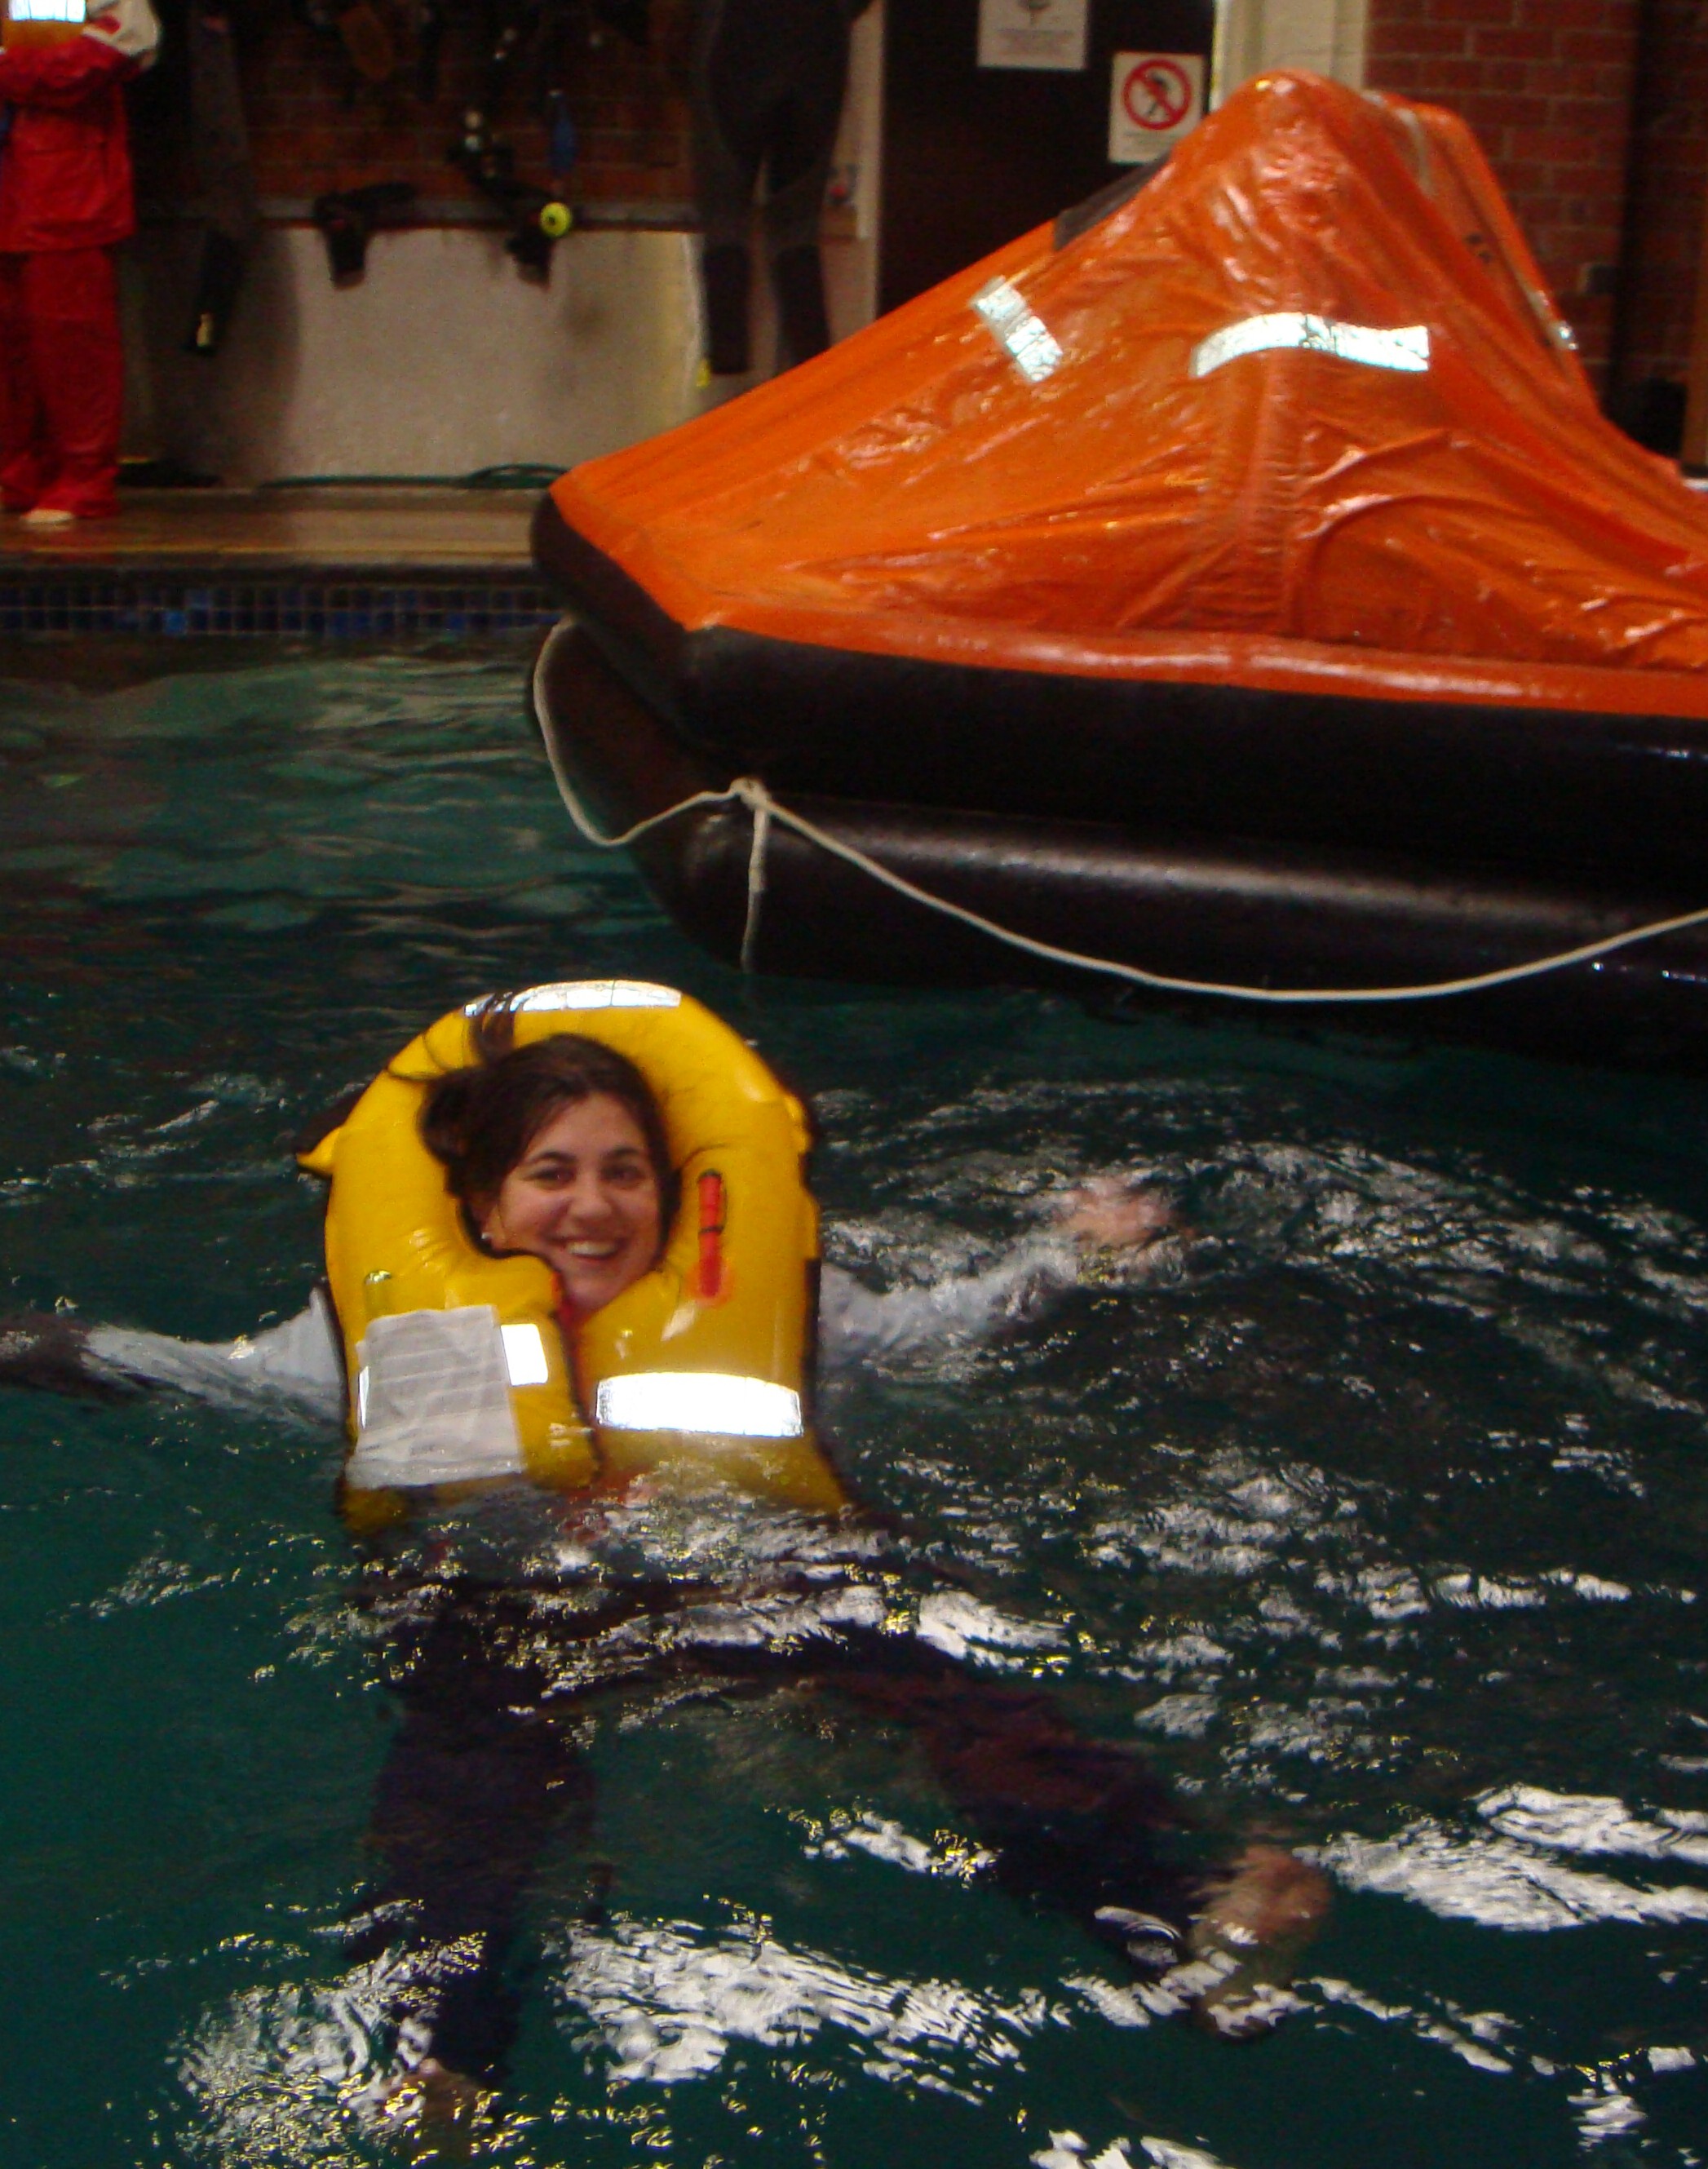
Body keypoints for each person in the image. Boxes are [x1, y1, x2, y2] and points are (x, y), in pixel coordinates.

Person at [0, 1004, 1327, 2135]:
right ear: (482, 1203)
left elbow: (951, 1324)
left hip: (738, 1584)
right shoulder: (367, 1345)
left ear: (668, 1189)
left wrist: (1072, 1252)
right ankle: (442, 2053)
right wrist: (38, 1344)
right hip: (504, 1609)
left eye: (623, 1170)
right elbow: (190, 1376)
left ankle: (1180, 1911)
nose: (591, 1205)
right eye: (551, 1172)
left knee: (945, 1696)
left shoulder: (786, 1313)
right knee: (461, 1777)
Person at [0, 0, 161, 524]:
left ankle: (83, 474)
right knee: (12, 336)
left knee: (70, 336)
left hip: (65, 185)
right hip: (27, 180)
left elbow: (104, 54)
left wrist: (9, 68)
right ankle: (21, 468)